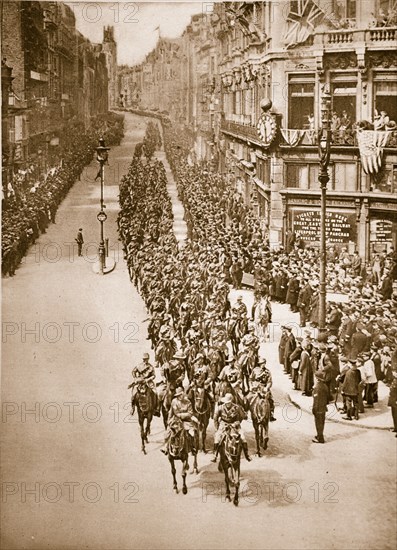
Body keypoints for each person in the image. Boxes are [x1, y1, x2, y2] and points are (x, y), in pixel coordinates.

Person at [211, 393, 251, 462]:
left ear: (231, 401)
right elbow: (215, 418)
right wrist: (217, 428)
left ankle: (247, 455)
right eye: (226, 403)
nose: (228, 404)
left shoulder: (237, 408)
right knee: (217, 437)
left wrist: (236, 423)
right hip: (223, 425)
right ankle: (215, 455)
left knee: (243, 437)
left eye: (229, 403)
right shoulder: (220, 408)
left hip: (234, 425)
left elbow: (242, 417)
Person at [161, 387, 199, 454]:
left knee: (192, 433)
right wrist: (169, 421)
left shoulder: (188, 402)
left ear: (183, 394)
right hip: (176, 421)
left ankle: (192, 447)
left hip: (186, 421)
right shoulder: (174, 401)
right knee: (168, 432)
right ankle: (166, 446)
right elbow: (172, 412)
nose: (180, 396)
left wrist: (181, 415)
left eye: (181, 395)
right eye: (178, 395)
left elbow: (190, 413)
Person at [249, 357, 276, 421]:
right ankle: (247, 412)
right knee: (248, 399)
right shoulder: (255, 370)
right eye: (261, 363)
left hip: (264, 388)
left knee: (270, 400)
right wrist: (251, 386)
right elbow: (250, 379)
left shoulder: (267, 372)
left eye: (263, 363)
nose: (262, 365)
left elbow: (269, 382)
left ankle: (271, 414)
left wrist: (267, 388)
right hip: (255, 388)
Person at [312, 370, 329, 443]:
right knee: (322, 422)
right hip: (323, 407)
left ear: (317, 378)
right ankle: (319, 435)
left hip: (318, 408)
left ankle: (320, 438)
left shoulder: (317, 388)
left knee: (318, 423)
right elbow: (328, 397)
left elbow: (316, 400)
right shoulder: (324, 386)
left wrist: (314, 409)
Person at [388, 370, 397, 436]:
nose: (393, 373)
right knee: (394, 415)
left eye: (395, 372)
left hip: (396, 401)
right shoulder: (394, 380)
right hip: (393, 401)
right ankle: (395, 428)